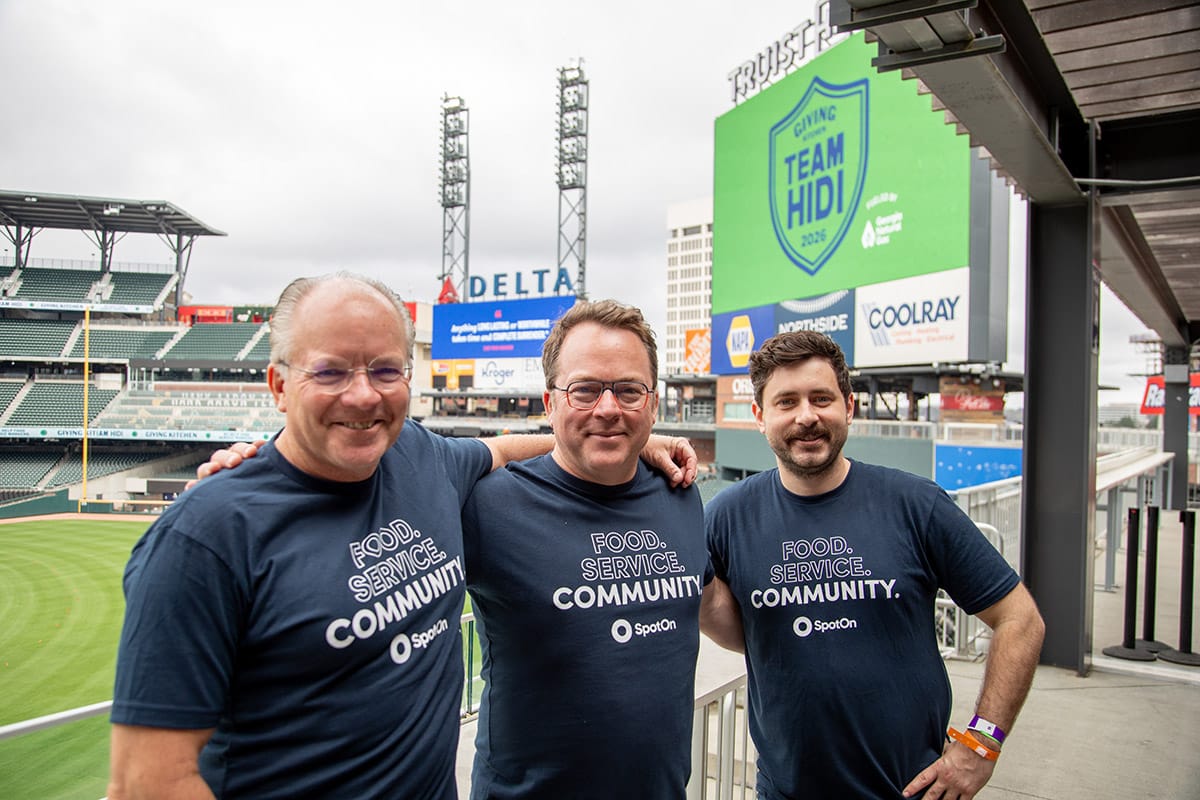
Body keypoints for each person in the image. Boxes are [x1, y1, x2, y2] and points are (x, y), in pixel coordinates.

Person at [108, 273, 694, 799]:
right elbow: (145, 783)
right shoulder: (203, 537)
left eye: (385, 370)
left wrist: (634, 442)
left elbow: (503, 448)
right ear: (279, 386)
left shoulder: (420, 457)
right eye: (330, 371)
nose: (363, 394)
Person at [703, 330, 1045, 800]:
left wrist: (981, 745)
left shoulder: (915, 504)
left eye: (821, 398)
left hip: (912, 790)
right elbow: (738, 626)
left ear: (850, 406)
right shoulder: (727, 515)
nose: (806, 417)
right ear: (761, 416)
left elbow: (1020, 619)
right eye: (786, 402)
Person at [460, 300, 737, 799]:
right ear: (550, 404)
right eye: (584, 390)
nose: (608, 408)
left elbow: (712, 602)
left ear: (653, 404)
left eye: (629, 391)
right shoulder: (489, 504)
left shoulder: (678, 490)